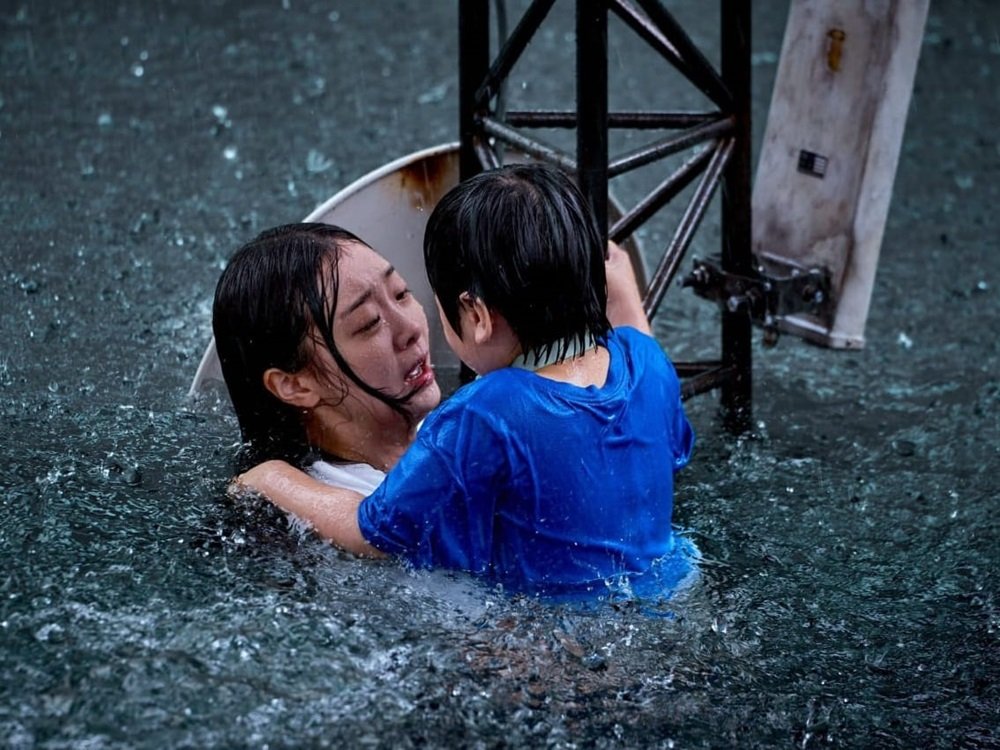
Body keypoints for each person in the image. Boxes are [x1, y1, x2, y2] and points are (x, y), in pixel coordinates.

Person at [236, 163, 697, 601]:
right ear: (292, 385)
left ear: (475, 315)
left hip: (564, 646)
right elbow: (655, 413)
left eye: (405, 294)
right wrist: (625, 299)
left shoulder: (484, 413)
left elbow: (373, 532)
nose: (414, 328)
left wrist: (272, 478)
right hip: (676, 594)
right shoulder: (646, 363)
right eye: (369, 323)